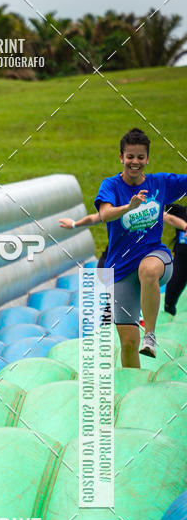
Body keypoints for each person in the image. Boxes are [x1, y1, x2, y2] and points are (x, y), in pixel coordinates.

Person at [88, 127, 187, 366]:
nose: (135, 162)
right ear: (121, 157)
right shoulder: (110, 186)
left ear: (147, 158)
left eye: (140, 157)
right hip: (121, 268)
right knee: (128, 344)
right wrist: (128, 208)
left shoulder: (160, 183)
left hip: (155, 257)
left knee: (148, 270)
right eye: (130, 156)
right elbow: (105, 214)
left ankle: (150, 335)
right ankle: (135, 387)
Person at [163, 203, 187, 316]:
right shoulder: (179, 211)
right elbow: (164, 213)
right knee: (169, 301)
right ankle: (169, 309)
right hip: (182, 260)